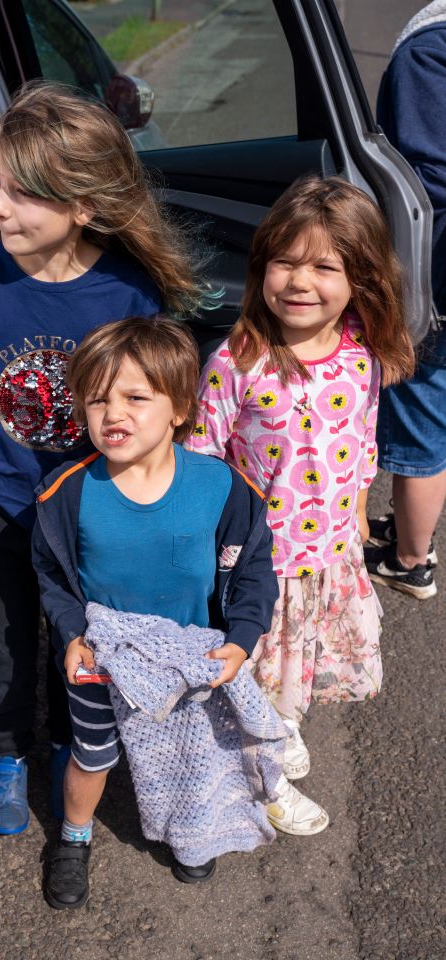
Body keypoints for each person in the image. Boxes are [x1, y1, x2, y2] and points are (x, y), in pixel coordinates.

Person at [0, 80, 207, 835]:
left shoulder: (127, 291)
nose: (0, 207)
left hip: (89, 506)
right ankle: (8, 755)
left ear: (83, 206)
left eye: (25, 195)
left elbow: (150, 415)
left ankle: (65, 744)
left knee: (80, 638)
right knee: (11, 637)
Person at [31, 316, 286, 910]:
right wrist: (71, 634)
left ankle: (192, 837)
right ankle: (73, 836)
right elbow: (53, 577)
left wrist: (242, 638)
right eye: (96, 400)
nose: (112, 413)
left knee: (192, 750)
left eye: (134, 398)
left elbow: (253, 570)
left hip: (188, 658)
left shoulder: (221, 486)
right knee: (93, 754)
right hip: (105, 655)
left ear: (179, 408)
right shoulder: (66, 492)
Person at [189, 175, 416, 832]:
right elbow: (202, 460)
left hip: (327, 556)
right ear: (262, 264)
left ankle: (282, 727)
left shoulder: (360, 351)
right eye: (285, 261)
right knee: (251, 675)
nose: (299, 280)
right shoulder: (238, 361)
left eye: (324, 266)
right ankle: (261, 782)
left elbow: (362, 440)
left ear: (361, 280)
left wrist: (351, 525)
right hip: (259, 563)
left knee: (296, 667)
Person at [364, 1, 446, 600]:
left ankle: (411, 558)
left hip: (438, 276)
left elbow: (427, 177)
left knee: (422, 424)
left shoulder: (432, 50)